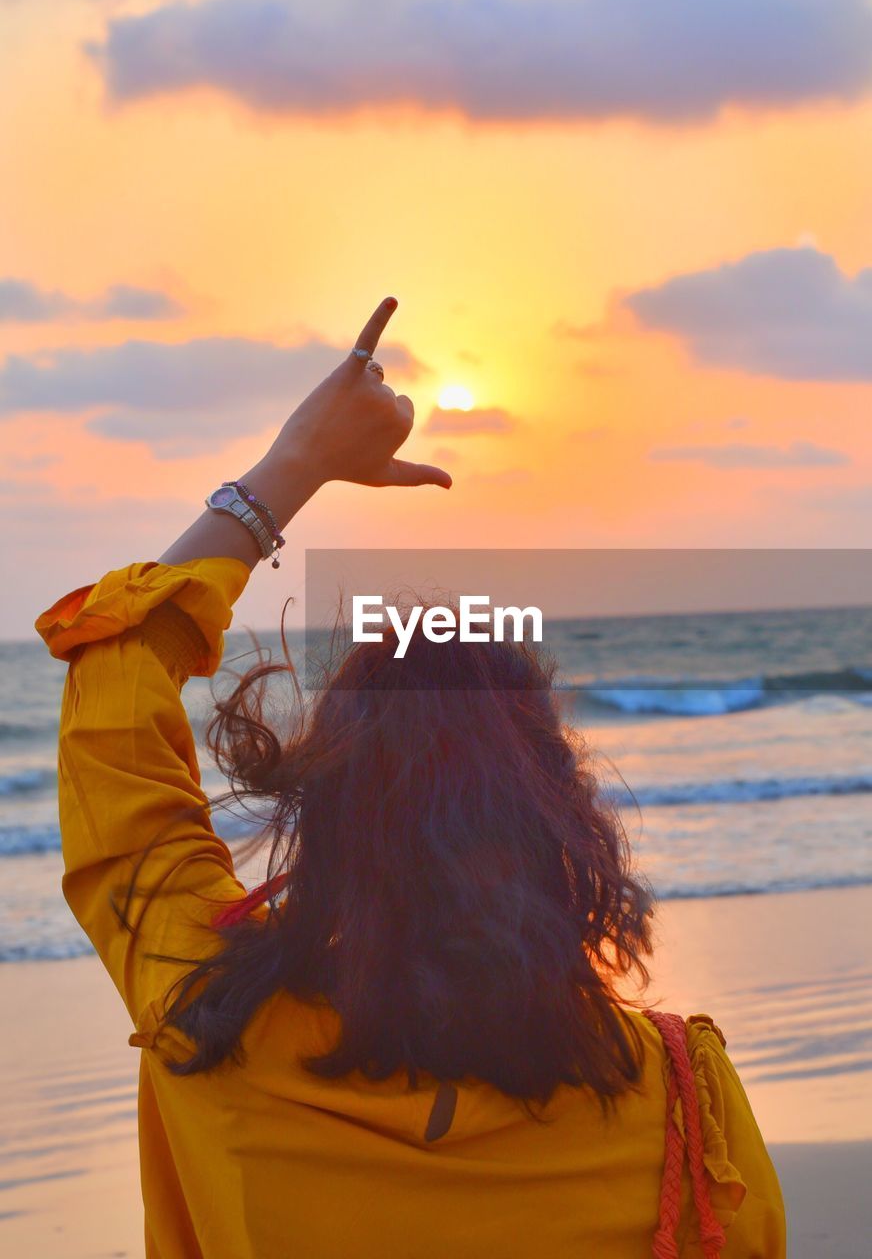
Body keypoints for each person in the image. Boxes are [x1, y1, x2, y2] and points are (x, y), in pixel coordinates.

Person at [36, 298, 786, 1257]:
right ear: (556, 813)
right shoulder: (685, 1108)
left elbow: (114, 683)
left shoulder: (209, 1013)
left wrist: (290, 469)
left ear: (330, 807)